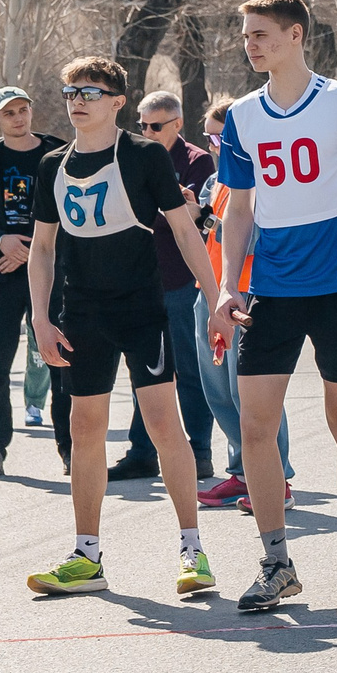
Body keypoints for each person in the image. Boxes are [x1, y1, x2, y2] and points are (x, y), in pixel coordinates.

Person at [212, 0, 337, 612]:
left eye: (261, 33)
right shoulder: (242, 116)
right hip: (270, 290)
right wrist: (226, 284)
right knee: (255, 426)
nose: (251, 43)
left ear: (296, 35)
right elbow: (238, 208)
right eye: (246, 35)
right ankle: (276, 562)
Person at [23, 58, 228, 597]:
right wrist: (42, 320)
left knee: (164, 426)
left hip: (141, 310)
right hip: (81, 314)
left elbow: (185, 233)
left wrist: (215, 300)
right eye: (70, 91)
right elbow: (42, 248)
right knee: (84, 431)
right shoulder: (52, 165)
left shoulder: (143, 157)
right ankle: (86, 557)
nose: (77, 100)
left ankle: (193, 552)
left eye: (90, 91)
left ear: (118, 102)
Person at [0, 87, 71, 477]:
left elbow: (73, 208)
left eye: (24, 110)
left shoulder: (57, 153)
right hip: (0, 273)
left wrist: (38, 248)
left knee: (61, 361)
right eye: (9, 114)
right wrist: (1, 239)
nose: (19, 118)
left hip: (52, 270)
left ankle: (72, 450)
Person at [108, 92, 217, 482]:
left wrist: (178, 211)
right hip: (140, 281)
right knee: (146, 370)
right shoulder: (133, 156)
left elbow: (196, 217)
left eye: (156, 126)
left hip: (182, 280)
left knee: (188, 369)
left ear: (176, 125)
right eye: (142, 125)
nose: (148, 132)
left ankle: (200, 451)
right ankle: (141, 452)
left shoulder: (196, 161)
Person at [193, 96, 293, 509]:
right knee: (218, 389)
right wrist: (193, 213)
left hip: (248, 292)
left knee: (251, 392)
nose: (215, 146)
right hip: (211, 291)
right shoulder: (217, 182)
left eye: (221, 138)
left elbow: (251, 233)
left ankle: (276, 478)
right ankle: (242, 472)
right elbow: (211, 233)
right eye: (211, 138)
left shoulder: (262, 179)